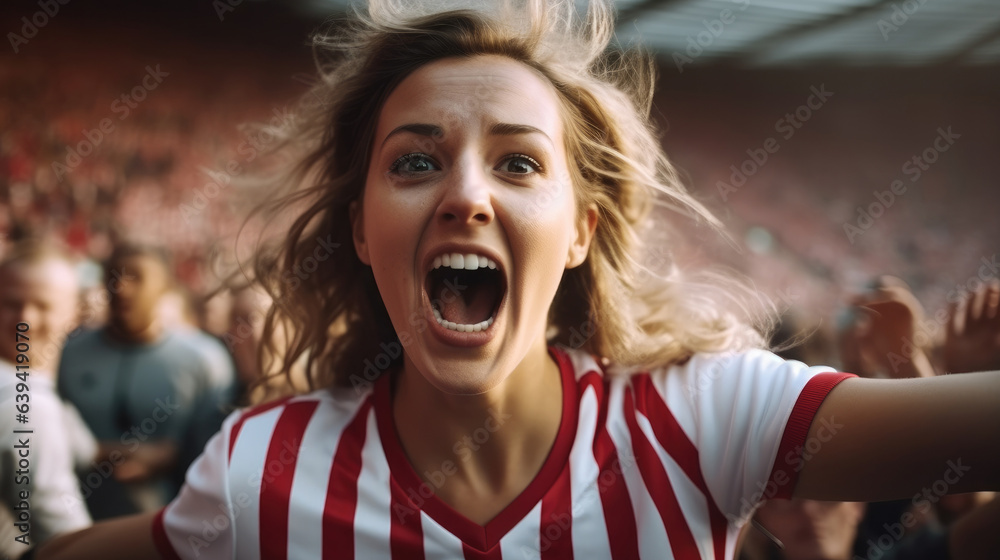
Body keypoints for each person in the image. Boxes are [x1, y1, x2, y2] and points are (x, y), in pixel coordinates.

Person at [38, 1, 1000, 558]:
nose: (465, 195)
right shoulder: (261, 470)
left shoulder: (702, 419)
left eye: (519, 163)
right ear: (362, 232)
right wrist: (16, 406)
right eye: (414, 162)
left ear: (581, 231)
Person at [55, 244, 235, 520]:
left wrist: (172, 458)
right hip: (77, 521)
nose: (122, 288)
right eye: (114, 276)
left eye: (136, 277)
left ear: (165, 287)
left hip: (171, 525)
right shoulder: (69, 353)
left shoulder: (205, 359)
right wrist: (102, 453)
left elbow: (218, 446)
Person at [0, 241, 94, 558]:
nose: (25, 318)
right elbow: (66, 537)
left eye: (42, 305)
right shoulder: (25, 402)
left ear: (74, 313)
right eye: (11, 303)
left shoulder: (34, 386)